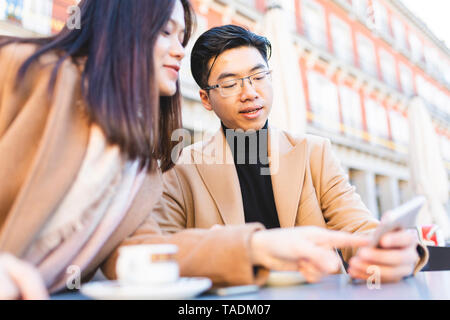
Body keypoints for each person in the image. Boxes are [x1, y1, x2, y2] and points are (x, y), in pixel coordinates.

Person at [141, 25, 429, 285]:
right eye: (230, 84)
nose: (250, 92)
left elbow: (357, 228)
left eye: (259, 76)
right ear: (205, 98)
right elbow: (158, 253)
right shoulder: (179, 167)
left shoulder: (313, 152)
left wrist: (394, 251)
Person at [0, 0, 195, 299]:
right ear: (121, 27)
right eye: (166, 31)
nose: (181, 50)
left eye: (182, 38)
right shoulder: (22, 66)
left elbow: (147, 250)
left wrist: (256, 248)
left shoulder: (140, 167)